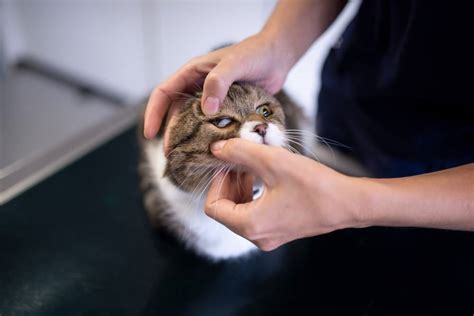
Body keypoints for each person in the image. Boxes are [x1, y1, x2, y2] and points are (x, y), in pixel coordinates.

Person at [143, 0, 474, 251]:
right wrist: (275, 42)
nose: (258, 125)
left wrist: (355, 204)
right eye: (225, 120)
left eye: (264, 113)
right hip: (359, 93)